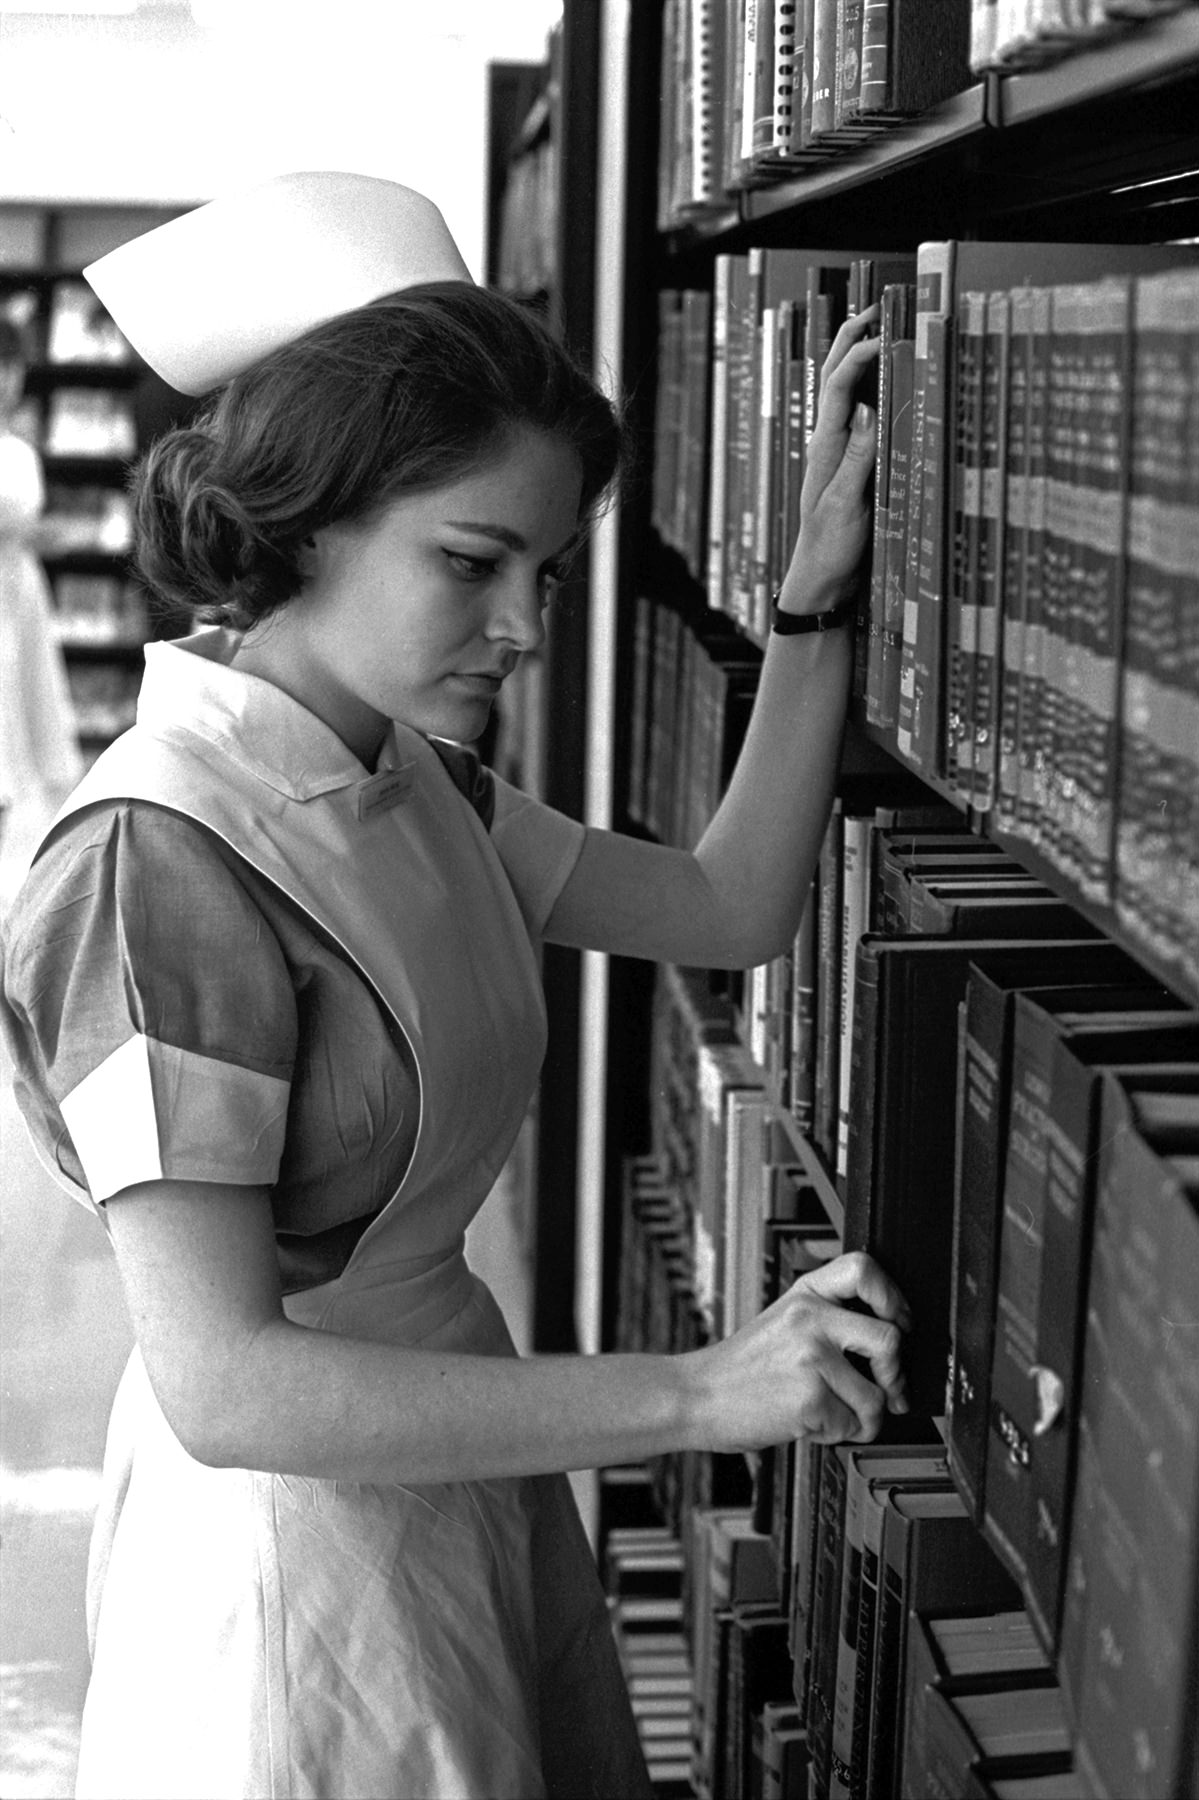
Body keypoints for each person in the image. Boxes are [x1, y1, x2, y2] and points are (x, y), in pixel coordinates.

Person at [0, 172, 909, 1800]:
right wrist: (698, 1392)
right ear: (302, 515)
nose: (522, 629)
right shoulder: (155, 868)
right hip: (293, 1566)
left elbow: (730, 903)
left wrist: (812, 598)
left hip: (464, 1446)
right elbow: (226, 1385)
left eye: (546, 574)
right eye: (473, 561)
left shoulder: (424, 785)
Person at [0, 316, 84, 893]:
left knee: (25, 711)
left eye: (14, 370)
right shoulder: (12, 451)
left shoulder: (15, 445)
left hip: (17, 595)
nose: (9, 382)